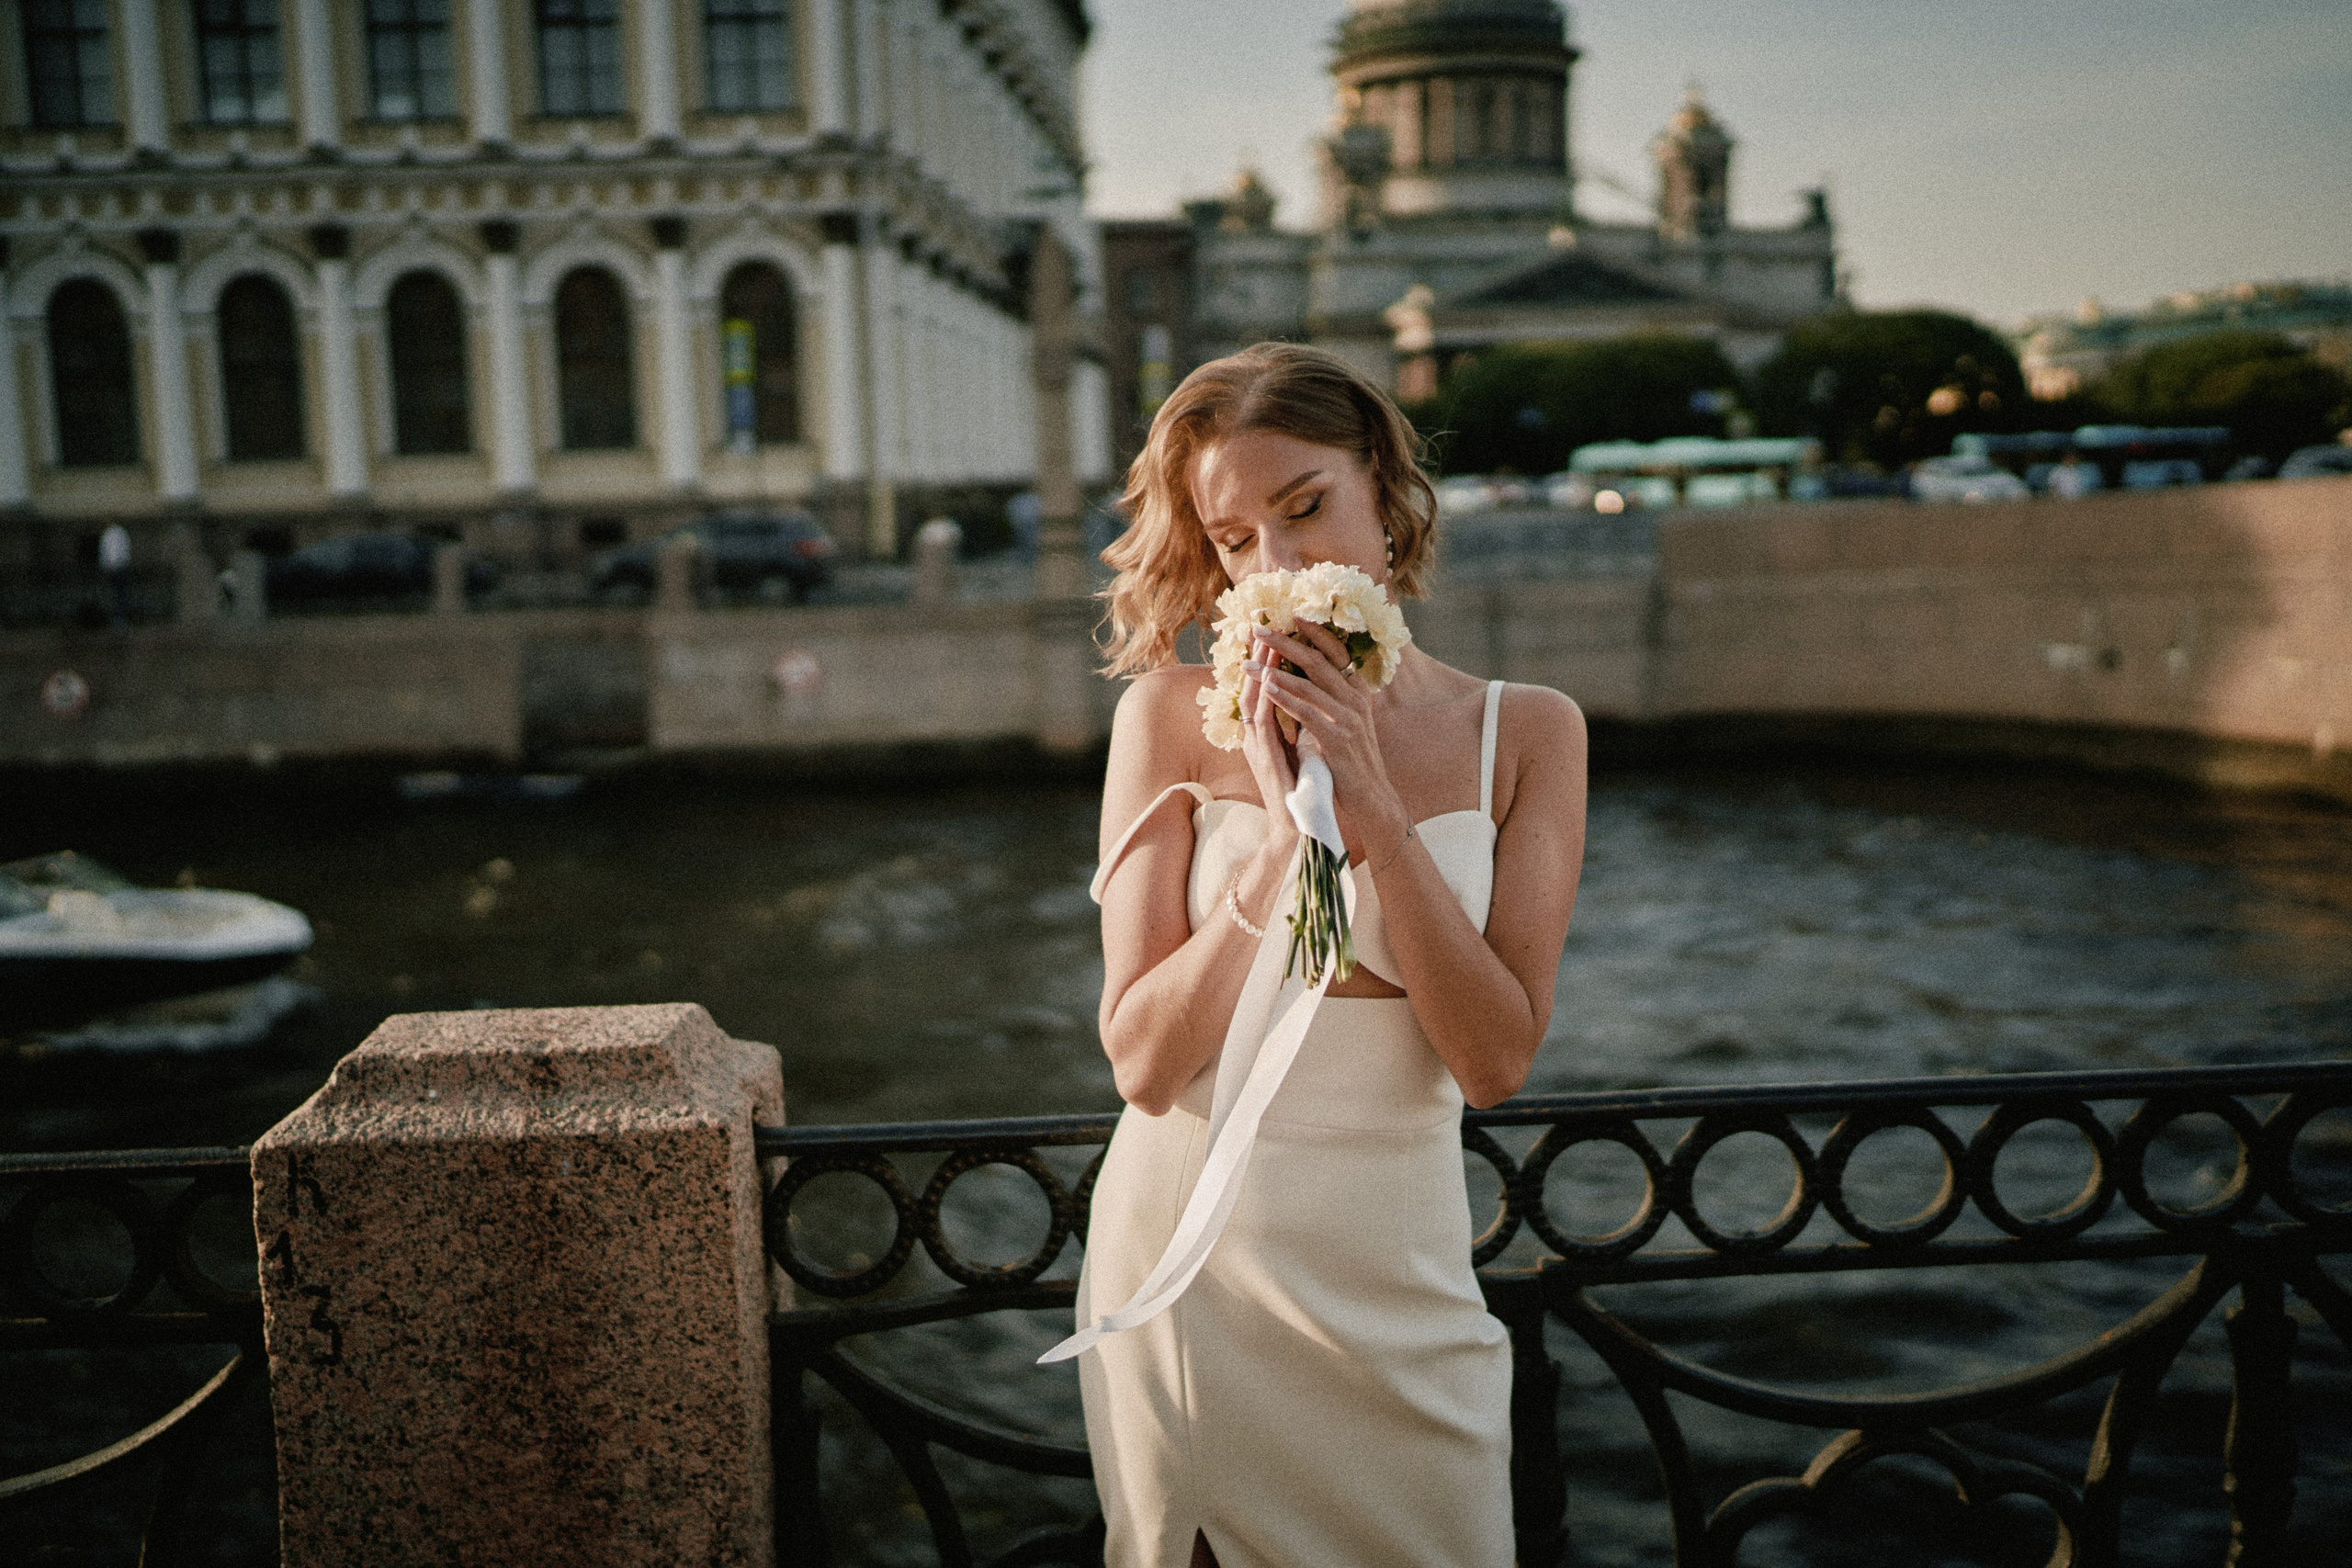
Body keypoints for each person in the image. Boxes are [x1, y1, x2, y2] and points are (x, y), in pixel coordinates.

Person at [1075, 343, 1589, 1566]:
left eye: (1307, 508)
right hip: (1197, 1257)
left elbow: (1495, 1059)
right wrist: (1275, 833)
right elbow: (1142, 1061)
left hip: (1400, 1267)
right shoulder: (1164, 719)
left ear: (1384, 490)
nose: (1285, 564)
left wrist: (1371, 810)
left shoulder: (1525, 731)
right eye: (1239, 537)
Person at [99, 523, 132, 628]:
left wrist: (117, 563)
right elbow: (105, 552)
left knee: (120, 594)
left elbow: (121, 550)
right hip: (113, 568)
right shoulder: (109, 533)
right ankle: (116, 618)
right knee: (115, 594)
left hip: (119, 568)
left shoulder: (117, 532)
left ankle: (121, 619)